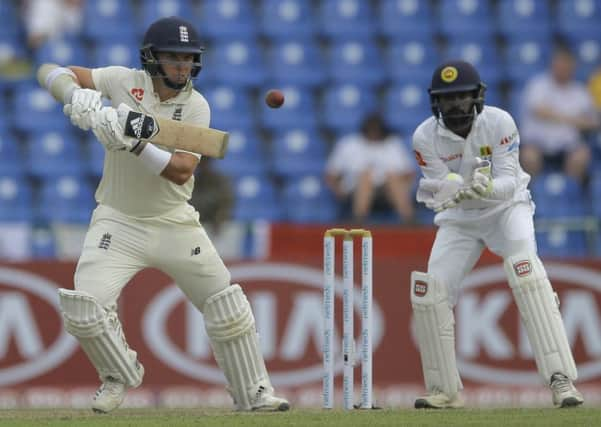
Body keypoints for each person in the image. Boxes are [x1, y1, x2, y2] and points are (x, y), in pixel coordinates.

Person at [40, 16, 289, 413]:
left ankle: (254, 393)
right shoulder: (123, 81)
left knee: (225, 304)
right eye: (174, 58)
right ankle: (118, 374)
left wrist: (133, 144)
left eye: (189, 59)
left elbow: (180, 171)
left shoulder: (196, 107)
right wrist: (74, 94)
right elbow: (49, 70)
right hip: (117, 220)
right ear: (151, 59)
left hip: (174, 221)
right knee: (84, 307)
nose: (182, 67)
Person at [410, 60, 583, 409]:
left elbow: (508, 182)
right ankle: (444, 390)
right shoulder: (424, 136)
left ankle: (561, 381)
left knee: (526, 275)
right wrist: (454, 188)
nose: (456, 105)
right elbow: (440, 186)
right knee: (431, 293)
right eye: (447, 99)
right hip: (459, 217)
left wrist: (484, 186)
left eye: (462, 97)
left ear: (477, 97)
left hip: (507, 210)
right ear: (435, 102)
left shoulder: (500, 122)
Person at [519, 45, 599, 183]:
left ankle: (570, 195)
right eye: (560, 64)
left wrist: (567, 119)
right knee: (528, 157)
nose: (563, 69)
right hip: (537, 143)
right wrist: (573, 119)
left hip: (567, 145)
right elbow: (539, 111)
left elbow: (593, 121)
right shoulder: (538, 85)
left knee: (582, 156)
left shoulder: (580, 91)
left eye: (567, 65)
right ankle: (531, 196)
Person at [325, 113, 415, 223]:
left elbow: (409, 173)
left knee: (393, 177)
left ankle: (409, 221)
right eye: (371, 129)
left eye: (377, 129)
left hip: (387, 191)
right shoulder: (349, 143)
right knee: (366, 176)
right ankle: (359, 220)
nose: (374, 131)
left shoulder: (392, 144)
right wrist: (338, 191)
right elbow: (331, 174)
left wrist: (406, 188)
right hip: (354, 189)